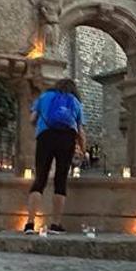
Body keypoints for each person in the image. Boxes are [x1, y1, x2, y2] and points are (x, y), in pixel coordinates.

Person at [23, 79, 86, 234]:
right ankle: (55, 224)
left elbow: (32, 119)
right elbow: (80, 131)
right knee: (61, 179)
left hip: (45, 137)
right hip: (67, 139)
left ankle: (30, 224)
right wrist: (83, 150)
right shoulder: (75, 102)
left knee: (40, 179)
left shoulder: (44, 97)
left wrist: (40, 126)